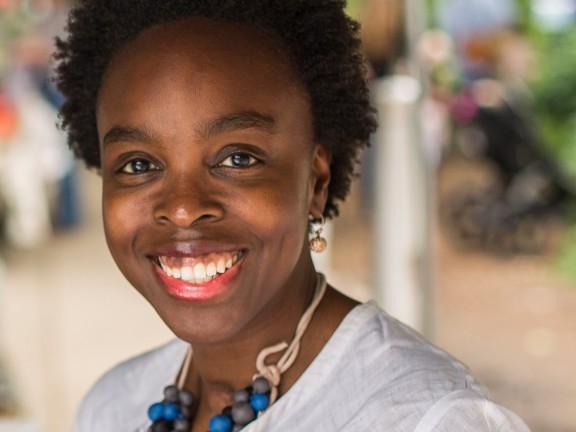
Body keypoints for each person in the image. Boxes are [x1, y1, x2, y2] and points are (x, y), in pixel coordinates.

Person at [54, 1, 531, 431]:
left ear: (316, 182)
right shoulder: (112, 407)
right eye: (139, 165)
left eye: (238, 158)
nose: (181, 207)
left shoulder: (424, 419)